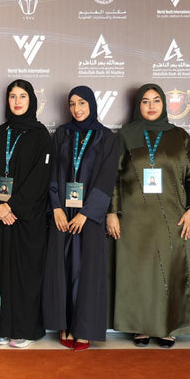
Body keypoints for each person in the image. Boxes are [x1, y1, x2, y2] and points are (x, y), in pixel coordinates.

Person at [106, 83, 190, 348]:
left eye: (156, 101)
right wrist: (112, 212)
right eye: (145, 101)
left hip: (173, 217)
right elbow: (112, 177)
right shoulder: (125, 135)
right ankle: (140, 326)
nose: (151, 106)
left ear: (163, 104)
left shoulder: (179, 136)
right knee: (139, 273)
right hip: (133, 218)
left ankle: (167, 327)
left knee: (170, 273)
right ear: (138, 105)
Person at [43, 85, 119, 351]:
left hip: (89, 216)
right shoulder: (61, 134)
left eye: (82, 103)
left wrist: (87, 213)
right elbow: (52, 172)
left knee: (87, 271)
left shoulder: (106, 137)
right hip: (63, 213)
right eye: (72, 104)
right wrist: (56, 207)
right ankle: (64, 324)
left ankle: (84, 329)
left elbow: (107, 178)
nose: (77, 109)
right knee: (62, 268)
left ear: (92, 105)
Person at [0, 80, 50, 348]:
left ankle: (26, 330)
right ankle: (7, 328)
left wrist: (13, 206)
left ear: (31, 100)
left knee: (26, 276)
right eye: (12, 96)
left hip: (27, 218)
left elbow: (39, 178)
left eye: (23, 96)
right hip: (1, 217)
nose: (17, 101)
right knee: (6, 275)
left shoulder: (41, 135)